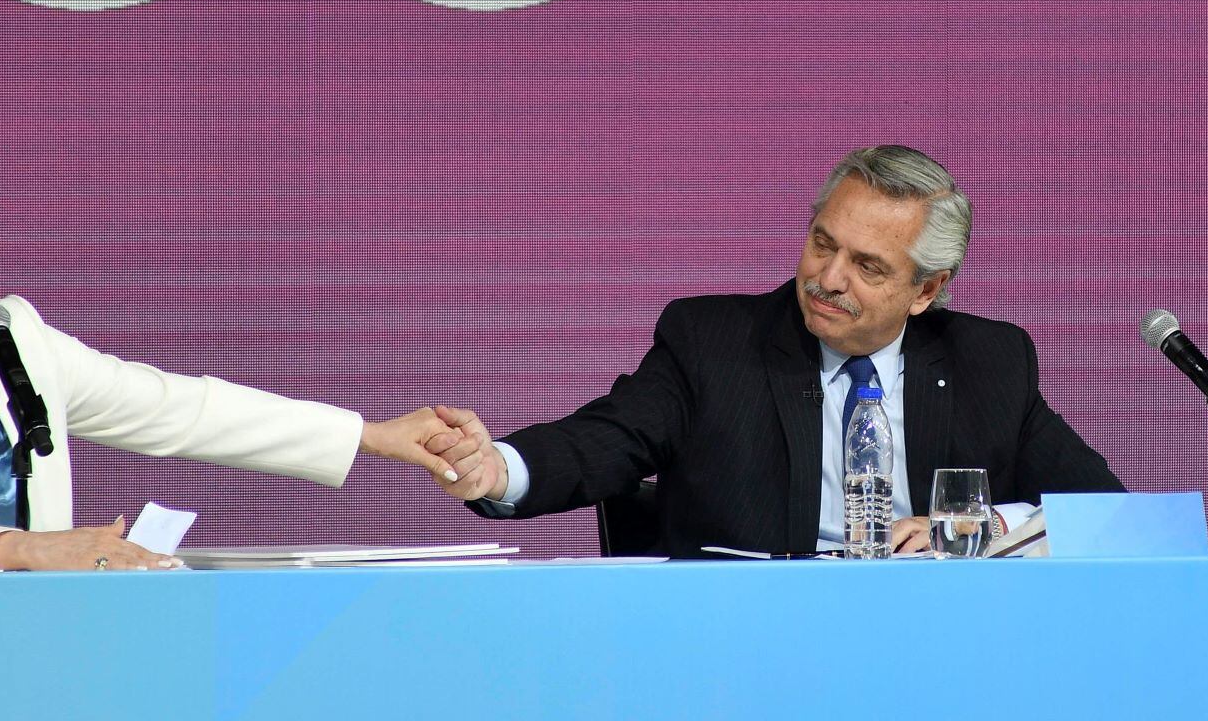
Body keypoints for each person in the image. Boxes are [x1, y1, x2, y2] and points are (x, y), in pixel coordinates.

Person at [0, 129, 473, 571]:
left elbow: (183, 410)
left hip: (30, 655)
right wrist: (37, 550)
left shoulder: (10, 341)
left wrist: (372, 435)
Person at [424, 145, 1123, 557]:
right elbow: (606, 439)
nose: (827, 278)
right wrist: (499, 469)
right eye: (823, 242)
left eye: (868, 266)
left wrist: (971, 529)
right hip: (745, 661)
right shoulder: (713, 343)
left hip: (936, 657)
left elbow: (1112, 515)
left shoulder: (989, 361)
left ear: (926, 288)